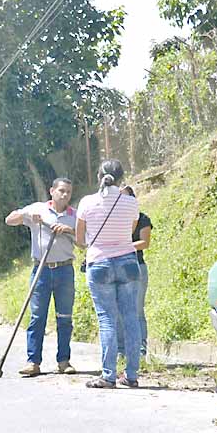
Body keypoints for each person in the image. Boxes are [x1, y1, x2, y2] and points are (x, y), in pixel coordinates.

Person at [76, 159, 142, 388]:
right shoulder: (131, 203)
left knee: (107, 320)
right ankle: (132, 376)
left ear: (98, 176)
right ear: (122, 177)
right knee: (131, 317)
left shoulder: (87, 202)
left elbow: (79, 239)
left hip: (100, 263)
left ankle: (108, 375)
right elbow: (131, 231)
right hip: (128, 261)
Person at [5, 177, 78, 377]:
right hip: (41, 270)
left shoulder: (75, 216)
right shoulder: (38, 208)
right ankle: (33, 362)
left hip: (64, 270)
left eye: (68, 192)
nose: (65, 195)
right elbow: (9, 220)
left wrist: (69, 230)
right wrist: (26, 215)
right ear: (51, 191)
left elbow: (84, 241)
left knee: (65, 318)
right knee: (37, 317)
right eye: (61, 190)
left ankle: (64, 361)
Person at [116, 186, 152, 360]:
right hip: (115, 266)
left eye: (126, 198)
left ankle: (140, 350)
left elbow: (144, 243)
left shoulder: (143, 218)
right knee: (117, 311)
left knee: (137, 310)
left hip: (136, 266)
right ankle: (121, 351)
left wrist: (123, 246)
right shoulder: (112, 220)